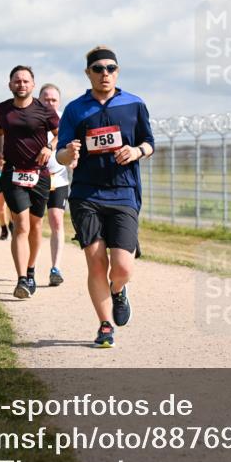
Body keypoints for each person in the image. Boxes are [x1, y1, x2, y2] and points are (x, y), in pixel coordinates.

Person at [56, 46, 154, 348]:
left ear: (118, 71)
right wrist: (68, 153)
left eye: (110, 68)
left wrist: (136, 151)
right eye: (98, 69)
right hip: (86, 194)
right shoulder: (75, 109)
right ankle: (104, 325)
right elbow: (60, 154)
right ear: (88, 73)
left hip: (124, 192)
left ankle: (119, 290)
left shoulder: (134, 105)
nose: (105, 73)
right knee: (95, 263)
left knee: (122, 267)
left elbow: (149, 142)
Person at [0, 65, 60, 299]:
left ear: (32, 84)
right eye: (17, 81)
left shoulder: (44, 110)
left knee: (36, 225)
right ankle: (21, 279)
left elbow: (60, 131)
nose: (21, 84)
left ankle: (31, 270)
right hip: (12, 173)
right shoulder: (2, 109)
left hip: (39, 175)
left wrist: (49, 146)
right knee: (21, 223)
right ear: (10, 84)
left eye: (25, 81)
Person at [39, 84, 74, 286]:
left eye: (53, 100)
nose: (50, 103)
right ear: (39, 99)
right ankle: (29, 267)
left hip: (58, 177)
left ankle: (56, 267)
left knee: (56, 221)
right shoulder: (33, 117)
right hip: (35, 177)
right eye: (46, 99)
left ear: (58, 102)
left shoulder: (65, 120)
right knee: (32, 224)